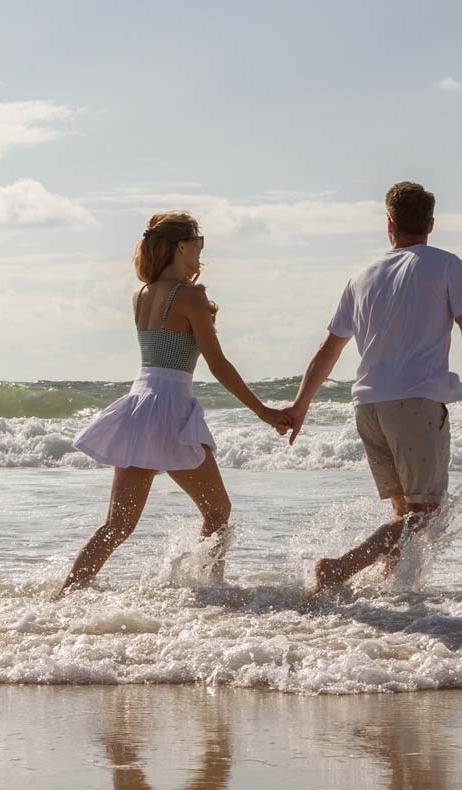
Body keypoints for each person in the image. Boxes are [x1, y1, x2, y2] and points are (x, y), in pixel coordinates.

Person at [61, 211, 293, 593]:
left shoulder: (142, 295)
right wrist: (264, 411)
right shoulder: (190, 296)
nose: (201, 253)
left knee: (117, 525)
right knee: (218, 512)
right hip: (170, 411)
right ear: (182, 246)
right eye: (199, 245)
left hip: (139, 404)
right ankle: (211, 589)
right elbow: (218, 365)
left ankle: (68, 592)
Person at [286, 181, 462, 596]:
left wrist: (300, 406)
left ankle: (393, 592)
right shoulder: (446, 264)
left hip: (368, 406)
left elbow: (329, 349)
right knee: (426, 515)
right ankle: (338, 568)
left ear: (389, 224)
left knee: (404, 512)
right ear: (431, 224)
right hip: (416, 403)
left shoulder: (362, 275)